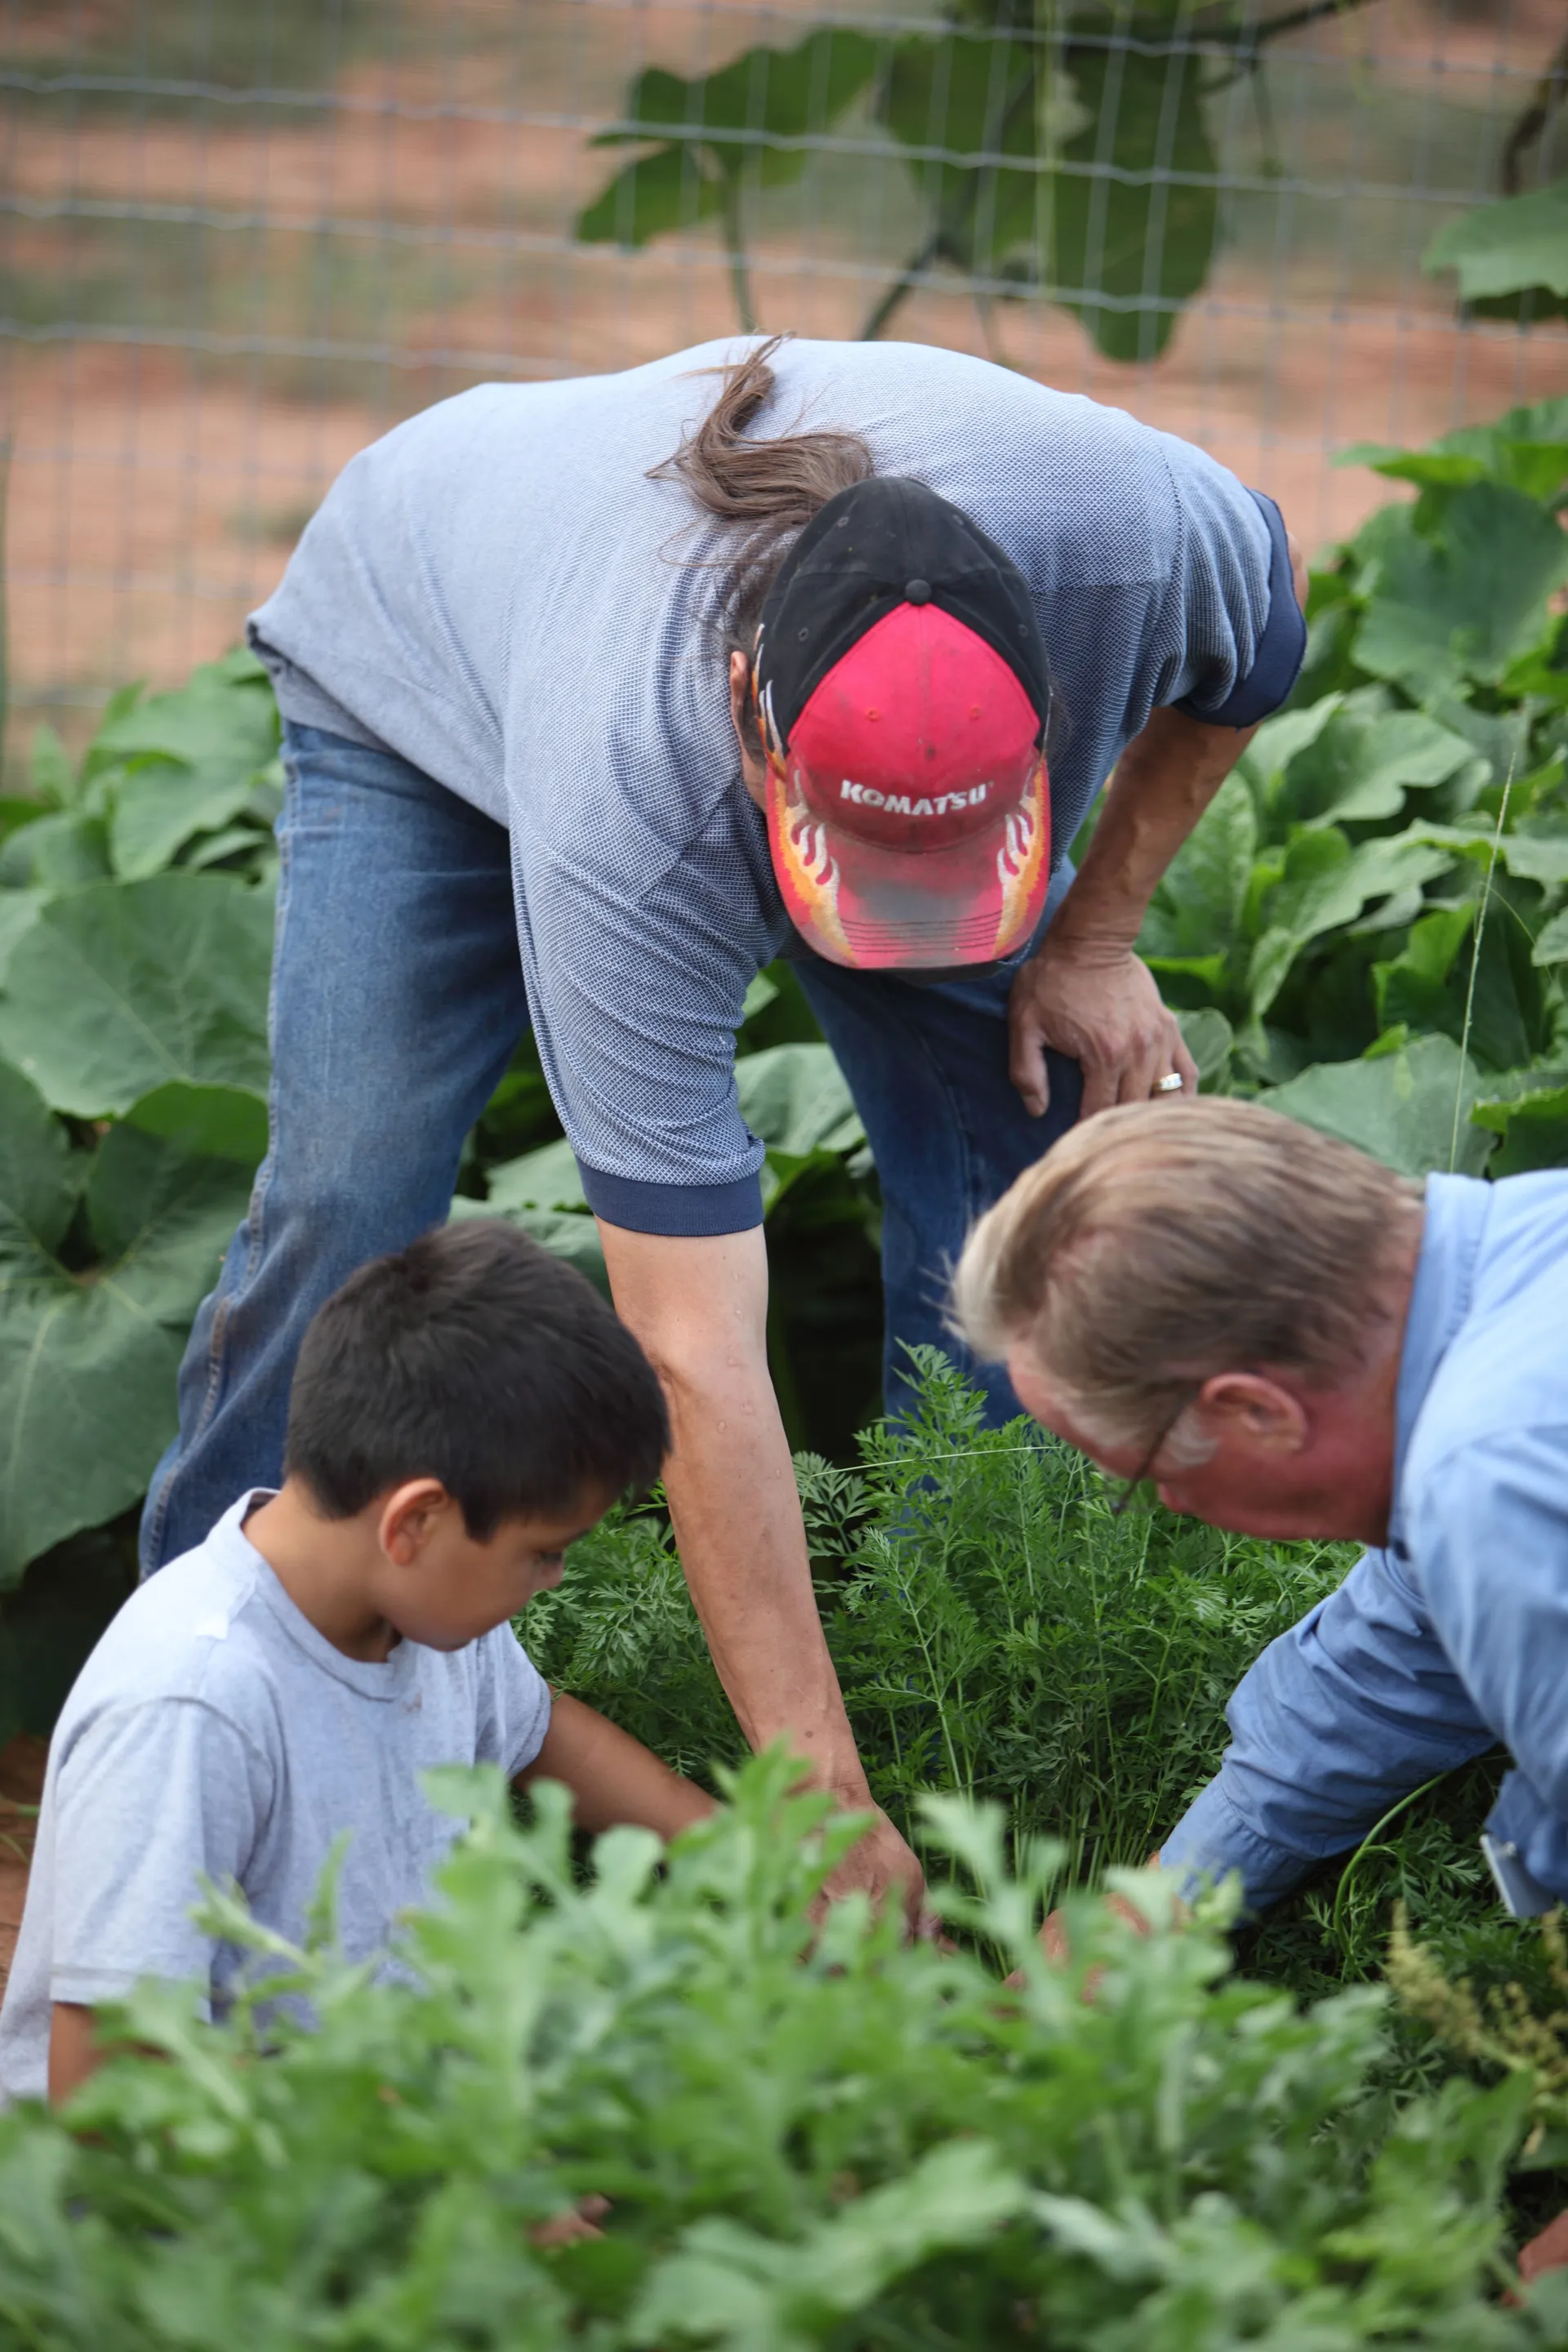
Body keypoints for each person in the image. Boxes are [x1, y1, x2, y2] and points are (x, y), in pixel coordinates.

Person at [142, 330, 1307, 1913]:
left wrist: (1092, 932)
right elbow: (691, 1342)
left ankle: (956, 1714)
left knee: (1007, 1177)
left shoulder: (1126, 541)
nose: (897, 923)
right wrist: (805, 1789)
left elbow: (1261, 650)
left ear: (1045, 695)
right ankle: (192, 1721)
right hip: (415, 654)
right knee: (352, 1194)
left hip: (752, 691)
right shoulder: (635, 799)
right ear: (757, 721)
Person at [1, 1221, 712, 2108]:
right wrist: (440, 2164)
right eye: (544, 1551)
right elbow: (110, 2083)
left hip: (381, 2135)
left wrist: (750, 1857)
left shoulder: (423, 1619)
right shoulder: (193, 1702)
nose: (555, 1578)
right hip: (182, 2206)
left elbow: (546, 1737)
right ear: (415, 1521)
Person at [951, 1095, 1568, 1917]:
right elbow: (1399, 1651)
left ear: (1256, 1411)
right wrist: (1159, 1908)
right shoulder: (1527, 1245)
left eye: (1141, 1474)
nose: (1168, 1506)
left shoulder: (1492, 1481)